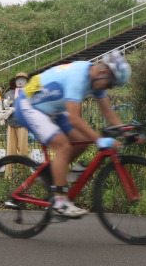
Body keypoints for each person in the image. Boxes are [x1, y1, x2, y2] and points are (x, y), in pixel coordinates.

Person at [13, 50, 136, 217]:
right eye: (110, 84)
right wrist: (100, 140)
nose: (108, 88)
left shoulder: (95, 80)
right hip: (29, 106)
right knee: (63, 146)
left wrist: (128, 134)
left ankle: (49, 175)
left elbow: (109, 113)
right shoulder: (78, 77)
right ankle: (60, 202)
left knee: (84, 140)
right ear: (103, 71)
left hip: (51, 110)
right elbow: (75, 120)